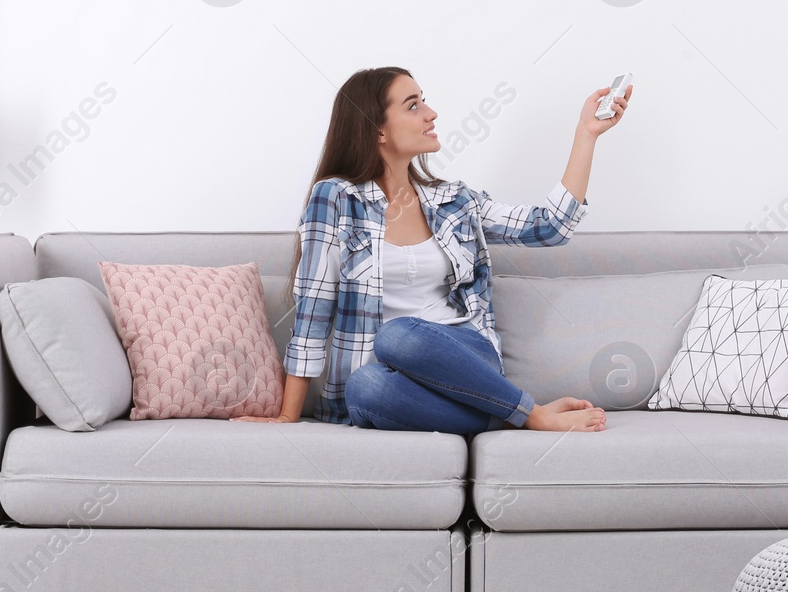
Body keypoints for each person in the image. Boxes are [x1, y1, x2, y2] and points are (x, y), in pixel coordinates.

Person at [232, 66, 632, 433]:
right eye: (413, 105)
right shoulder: (336, 198)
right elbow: (313, 309)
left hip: (465, 356)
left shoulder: (454, 201)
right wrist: (288, 415)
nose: (431, 113)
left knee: (399, 334)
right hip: (387, 377)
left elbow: (551, 227)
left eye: (423, 100)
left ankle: (529, 414)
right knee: (365, 387)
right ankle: (516, 415)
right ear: (378, 130)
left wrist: (586, 135)